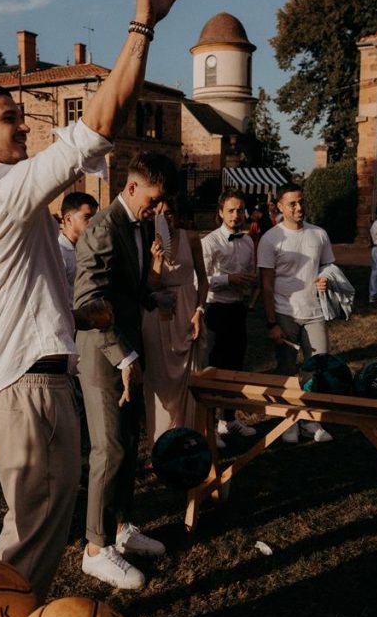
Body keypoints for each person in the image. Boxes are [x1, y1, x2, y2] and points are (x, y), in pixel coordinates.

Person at [0, 0, 185, 601]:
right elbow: (101, 121)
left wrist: (78, 314)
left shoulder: (2, 204)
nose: (22, 124)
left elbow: (18, 294)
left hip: (35, 386)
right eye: (9, 117)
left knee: (35, 533)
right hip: (27, 393)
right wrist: (142, 24)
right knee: (29, 541)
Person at [74, 151, 179, 590]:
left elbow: (129, 290)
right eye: (153, 200)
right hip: (103, 356)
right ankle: (96, 550)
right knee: (109, 449)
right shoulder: (101, 229)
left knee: (129, 443)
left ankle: (120, 529)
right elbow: (87, 305)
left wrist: (154, 298)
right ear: (132, 187)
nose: (157, 210)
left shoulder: (143, 223)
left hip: (130, 350)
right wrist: (124, 356)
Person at [257, 182, 334, 444]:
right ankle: (288, 422)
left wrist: (325, 279)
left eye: (301, 201)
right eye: (292, 203)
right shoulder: (271, 239)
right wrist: (271, 323)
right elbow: (266, 284)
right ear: (280, 206)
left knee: (318, 368)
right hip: (284, 313)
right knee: (287, 370)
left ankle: (311, 421)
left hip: (315, 313)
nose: (299, 207)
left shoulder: (319, 234)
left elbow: (328, 267)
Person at [142, 197, 208, 447]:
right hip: (159, 313)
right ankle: (161, 441)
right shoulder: (146, 242)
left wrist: (199, 310)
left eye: (168, 213)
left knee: (189, 376)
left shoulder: (191, 238)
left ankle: (188, 435)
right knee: (159, 379)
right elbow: (150, 287)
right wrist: (156, 260)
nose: (164, 219)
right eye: (158, 214)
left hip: (188, 311)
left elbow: (203, 278)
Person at [201, 188, 258, 450]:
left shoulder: (247, 242)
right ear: (220, 213)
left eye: (240, 210)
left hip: (237, 309)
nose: (236, 215)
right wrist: (228, 279)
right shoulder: (210, 242)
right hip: (215, 310)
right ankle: (210, 426)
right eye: (231, 210)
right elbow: (199, 280)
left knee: (235, 367)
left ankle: (229, 419)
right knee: (214, 367)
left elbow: (249, 272)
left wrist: (247, 283)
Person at [57, 191, 98, 299]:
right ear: (68, 219)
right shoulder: (57, 253)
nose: (93, 222)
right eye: (87, 217)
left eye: (94, 217)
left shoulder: (91, 248)